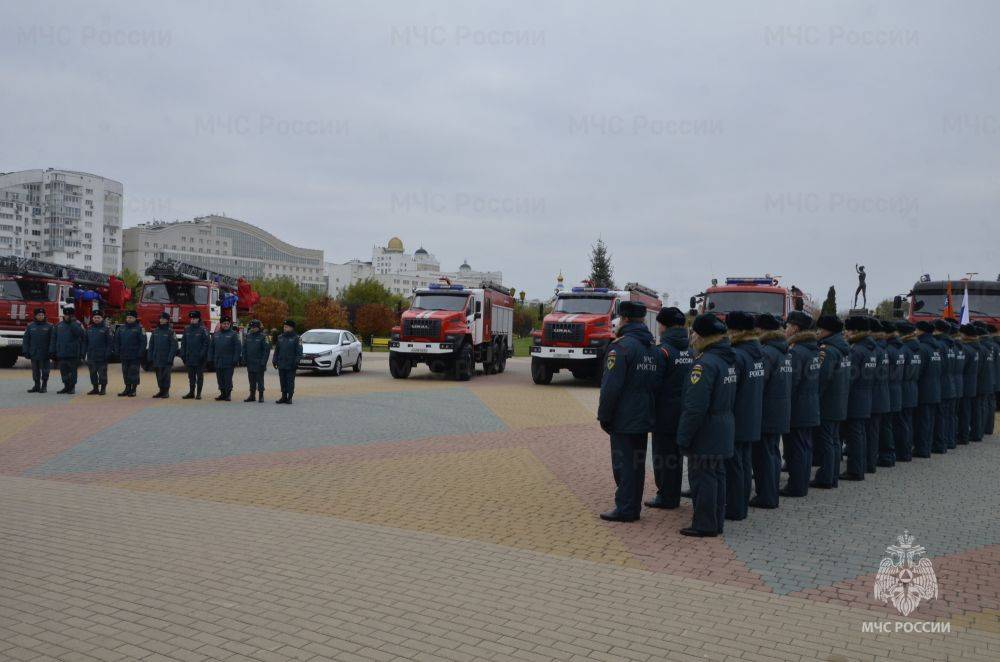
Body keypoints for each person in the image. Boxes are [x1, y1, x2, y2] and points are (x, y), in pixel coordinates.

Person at [596, 301, 665, 522]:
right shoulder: (652, 348)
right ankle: (632, 506)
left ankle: (626, 508)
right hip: (645, 414)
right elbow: (657, 383)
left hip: (624, 416)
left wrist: (604, 416)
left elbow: (610, 388)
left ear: (624, 319)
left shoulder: (621, 347)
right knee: (636, 463)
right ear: (642, 320)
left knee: (624, 464)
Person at [676, 313, 737, 537]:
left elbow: (695, 407)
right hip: (723, 426)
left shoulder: (704, 364)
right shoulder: (727, 359)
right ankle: (715, 521)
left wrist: (683, 437)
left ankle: (704, 523)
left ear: (701, 336)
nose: (691, 337)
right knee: (717, 477)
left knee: (703, 479)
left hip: (706, 430)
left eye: (693, 332)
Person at [645, 307, 693, 511]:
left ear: (663, 325)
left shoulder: (662, 350)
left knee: (663, 457)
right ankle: (672, 493)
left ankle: (666, 496)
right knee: (676, 455)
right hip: (685, 411)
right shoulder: (691, 350)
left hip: (664, 414)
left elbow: (653, 384)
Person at [725, 311, 764, 521]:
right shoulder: (757, 351)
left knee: (735, 466)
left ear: (737, 330)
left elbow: (731, 389)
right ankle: (740, 507)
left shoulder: (737, 355)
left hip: (737, 416)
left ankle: (734, 508)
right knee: (744, 464)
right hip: (752, 415)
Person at [749, 312, 789, 509]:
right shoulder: (784, 350)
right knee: (773, 453)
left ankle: (765, 496)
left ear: (761, 329)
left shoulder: (766, 352)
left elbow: (759, 382)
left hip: (767, 411)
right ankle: (771, 493)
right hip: (780, 409)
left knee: (763, 455)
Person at [782, 311, 820, 497]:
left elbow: (792, 382)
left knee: (796, 448)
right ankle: (802, 483)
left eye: (787, 326)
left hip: (798, 407)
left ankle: (796, 486)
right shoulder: (812, 349)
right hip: (810, 405)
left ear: (796, 328)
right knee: (805, 447)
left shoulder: (796, 352)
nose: (785, 329)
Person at [812, 315, 850, 488]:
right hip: (840, 400)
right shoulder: (843, 348)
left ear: (827, 331)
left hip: (828, 402)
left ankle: (826, 477)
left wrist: (815, 398)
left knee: (827, 440)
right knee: (834, 440)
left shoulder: (827, 350)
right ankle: (832, 475)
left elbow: (822, 378)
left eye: (819, 329)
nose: (817, 332)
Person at [841, 316, 875, 480]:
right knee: (860, 434)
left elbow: (849, 377)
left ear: (855, 330)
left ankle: (855, 470)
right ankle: (860, 467)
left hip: (854, 398)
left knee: (854, 436)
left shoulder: (856, 350)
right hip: (866, 396)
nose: (845, 333)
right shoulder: (870, 348)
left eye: (847, 329)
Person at [913, 320, 942, 458]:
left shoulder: (922, 348)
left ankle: (922, 449)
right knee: (929, 420)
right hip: (935, 388)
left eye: (916, 329)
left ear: (921, 331)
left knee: (923, 421)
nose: (915, 332)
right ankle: (927, 447)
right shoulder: (936, 347)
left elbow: (918, 371)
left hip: (924, 389)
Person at [892, 321, 918, 461]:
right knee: (908, 422)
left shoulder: (904, 349)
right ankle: (907, 450)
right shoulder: (917, 348)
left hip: (903, 389)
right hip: (913, 389)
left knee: (901, 423)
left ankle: (902, 452)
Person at [878, 320, 902, 466]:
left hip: (888, 390)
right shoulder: (899, 348)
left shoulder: (888, 349)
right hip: (896, 390)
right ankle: (891, 454)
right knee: (890, 425)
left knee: (886, 426)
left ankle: (887, 456)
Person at [868, 318, 891, 471]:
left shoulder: (874, 350)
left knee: (872, 432)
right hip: (883, 394)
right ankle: (882, 457)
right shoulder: (884, 349)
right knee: (878, 430)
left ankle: (870, 462)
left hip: (873, 395)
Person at [49, 305, 87, 394]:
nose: (67, 317)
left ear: (72, 316)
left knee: (72, 371)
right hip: (61, 352)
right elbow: (54, 339)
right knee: (63, 371)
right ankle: (66, 386)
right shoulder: (58, 325)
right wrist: (52, 351)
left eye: (69, 315)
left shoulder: (77, 325)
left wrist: (73, 323)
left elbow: (81, 335)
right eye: (65, 315)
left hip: (73, 353)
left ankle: (72, 387)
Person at [932, 319, 957, 453]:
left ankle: (940, 444)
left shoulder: (940, 345)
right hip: (951, 384)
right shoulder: (951, 344)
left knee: (941, 416)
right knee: (949, 416)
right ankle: (949, 441)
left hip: (941, 384)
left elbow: (937, 367)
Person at [114, 310, 146, 396]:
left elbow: (143, 342)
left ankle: (133, 389)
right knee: (125, 372)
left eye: (131, 317)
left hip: (135, 355)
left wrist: (140, 353)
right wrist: (117, 351)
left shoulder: (139, 328)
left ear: (135, 318)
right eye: (127, 317)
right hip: (124, 355)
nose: (129, 319)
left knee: (134, 372)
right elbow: (117, 341)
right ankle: (127, 388)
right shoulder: (121, 328)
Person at [209, 316, 242, 401]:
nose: (226, 325)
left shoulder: (233, 334)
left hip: (229, 361)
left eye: (227, 324)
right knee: (220, 378)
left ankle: (228, 394)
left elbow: (237, 348)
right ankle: (222, 393)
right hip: (218, 360)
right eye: (224, 323)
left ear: (229, 324)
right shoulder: (216, 334)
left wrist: (235, 359)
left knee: (227, 378)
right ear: (221, 324)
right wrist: (210, 359)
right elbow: (211, 348)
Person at [147, 312, 178, 398]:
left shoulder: (170, 332)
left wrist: (170, 358)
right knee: (158, 375)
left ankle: (166, 391)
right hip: (157, 357)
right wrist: (150, 356)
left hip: (166, 358)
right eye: (160, 318)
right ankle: (161, 390)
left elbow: (174, 346)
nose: (161, 320)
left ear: (167, 320)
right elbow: (151, 344)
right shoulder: (156, 331)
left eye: (163, 319)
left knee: (166, 375)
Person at [180, 310, 210, 400]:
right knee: (191, 376)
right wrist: (183, 354)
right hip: (189, 357)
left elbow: (206, 343)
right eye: (191, 318)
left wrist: (202, 355)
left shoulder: (203, 329)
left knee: (199, 376)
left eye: (194, 318)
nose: (192, 320)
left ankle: (198, 393)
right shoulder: (187, 329)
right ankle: (191, 392)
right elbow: (183, 343)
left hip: (199, 358)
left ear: (198, 319)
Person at [957, 323, 980, 443]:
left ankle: (963, 436)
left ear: (965, 335)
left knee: (964, 412)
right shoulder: (975, 348)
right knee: (968, 410)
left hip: (965, 383)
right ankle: (965, 434)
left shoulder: (966, 349)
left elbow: (961, 367)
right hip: (972, 383)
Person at [22, 307, 53, 393]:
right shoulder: (30, 326)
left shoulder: (49, 326)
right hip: (34, 352)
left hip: (45, 352)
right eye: (39, 315)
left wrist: (52, 351)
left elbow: (52, 340)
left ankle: (44, 386)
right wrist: (25, 351)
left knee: (45, 371)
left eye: (42, 315)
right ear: (35, 316)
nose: (41, 316)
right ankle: (36, 385)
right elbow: (26, 340)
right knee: (35, 371)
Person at [272, 319, 303, 404]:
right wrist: (274, 360)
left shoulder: (297, 338)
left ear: (291, 328)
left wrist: (296, 362)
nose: (284, 328)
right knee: (282, 380)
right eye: (284, 327)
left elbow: (299, 352)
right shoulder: (280, 337)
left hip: (291, 364)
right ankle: (283, 396)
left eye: (286, 327)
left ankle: (290, 397)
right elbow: (276, 351)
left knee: (290, 381)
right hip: (281, 363)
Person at [973, 322, 995, 438]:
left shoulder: (982, 347)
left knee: (979, 406)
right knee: (986, 405)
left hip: (982, 380)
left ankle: (979, 431)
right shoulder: (992, 346)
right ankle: (986, 428)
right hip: (991, 379)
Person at [84, 311, 114, 395]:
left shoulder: (106, 329)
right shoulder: (89, 329)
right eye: (95, 317)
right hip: (91, 355)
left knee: (102, 373)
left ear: (102, 319)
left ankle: (103, 389)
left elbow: (110, 343)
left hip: (102, 356)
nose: (96, 319)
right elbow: (85, 342)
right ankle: (95, 388)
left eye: (98, 318)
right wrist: (84, 353)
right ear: (92, 319)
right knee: (92, 373)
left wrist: (107, 353)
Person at [242, 319, 271, 403]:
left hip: (259, 363)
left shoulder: (264, 337)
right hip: (250, 362)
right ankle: (252, 395)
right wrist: (244, 358)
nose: (253, 329)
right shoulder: (248, 336)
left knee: (260, 380)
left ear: (258, 327)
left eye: (254, 327)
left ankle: (261, 395)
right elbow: (244, 348)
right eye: (252, 327)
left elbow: (266, 351)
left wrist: (263, 362)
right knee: (251, 380)